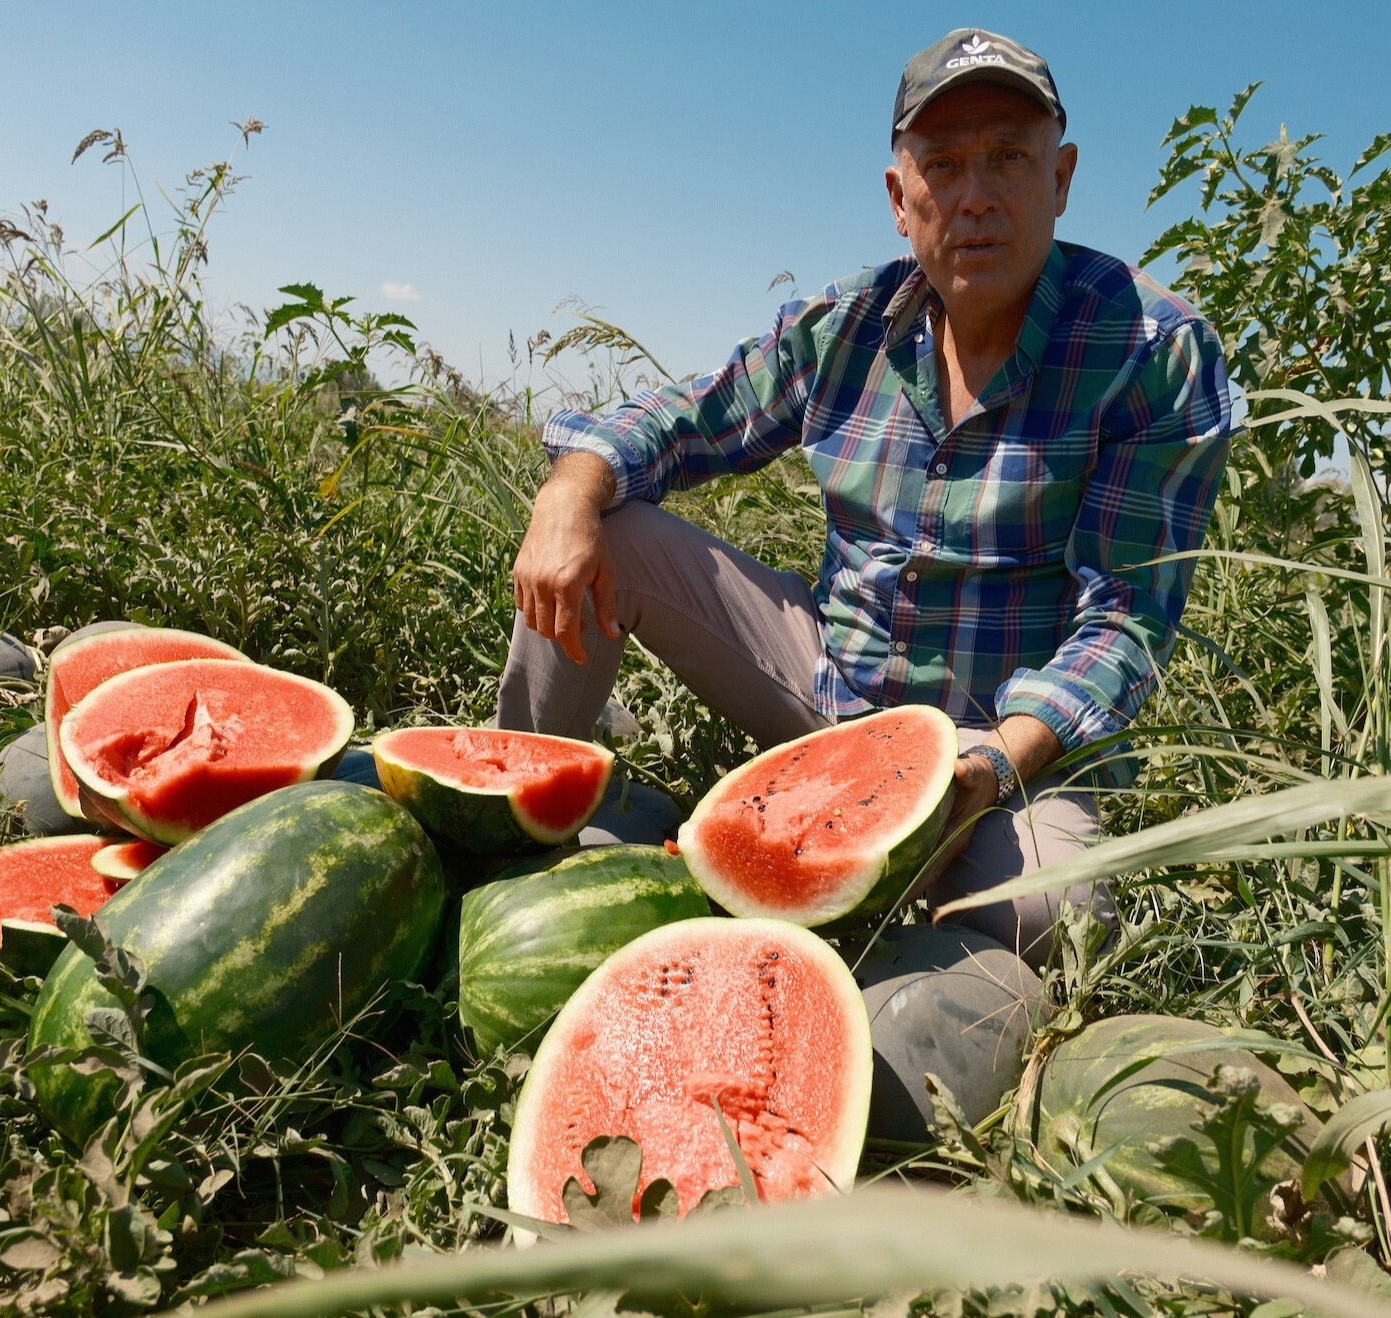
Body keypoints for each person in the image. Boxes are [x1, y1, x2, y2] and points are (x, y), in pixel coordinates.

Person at [500, 28, 1231, 967]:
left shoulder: (1151, 349)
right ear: (900, 197)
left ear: (1062, 178)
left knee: (1057, 914)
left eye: (1009, 157)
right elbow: (691, 417)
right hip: (825, 678)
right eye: (944, 163)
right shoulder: (847, 325)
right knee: (612, 525)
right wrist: (568, 489)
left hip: (1000, 742)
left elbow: (1126, 617)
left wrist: (996, 762)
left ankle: (914, 944)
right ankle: (512, 808)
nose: (976, 196)